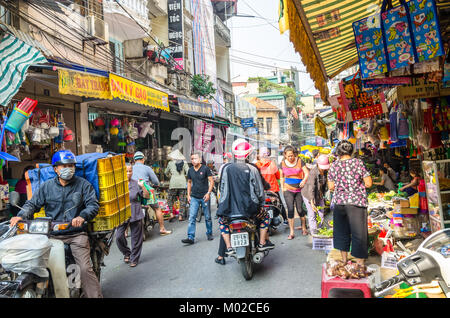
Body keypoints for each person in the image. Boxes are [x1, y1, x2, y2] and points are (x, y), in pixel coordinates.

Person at [10, 150, 103, 298]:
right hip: (51, 235)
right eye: (64, 166)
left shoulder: (83, 185)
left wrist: (82, 216)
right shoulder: (46, 187)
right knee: (37, 264)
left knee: (85, 269)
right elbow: (32, 204)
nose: (69, 169)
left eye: (71, 165)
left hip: (76, 234)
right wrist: (20, 216)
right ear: (55, 169)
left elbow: (93, 205)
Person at [215, 139, 274, 264]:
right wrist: (261, 203)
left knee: (222, 222)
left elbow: (222, 188)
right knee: (265, 217)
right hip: (250, 209)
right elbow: (259, 191)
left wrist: (222, 204)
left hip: (228, 209)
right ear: (248, 154)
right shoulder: (252, 169)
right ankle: (262, 243)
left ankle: (229, 247)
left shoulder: (226, 168)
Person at [327, 140, 373, 266]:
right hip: (356, 202)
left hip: (340, 202)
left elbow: (331, 186)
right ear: (351, 150)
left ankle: (344, 260)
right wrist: (357, 185)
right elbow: (369, 183)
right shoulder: (358, 163)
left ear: (338, 152)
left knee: (341, 230)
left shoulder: (334, 165)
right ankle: (360, 263)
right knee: (359, 233)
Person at [116, 163, 149, 267]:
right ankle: (127, 253)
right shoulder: (117, 184)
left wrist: (143, 186)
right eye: (126, 171)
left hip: (135, 212)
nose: (128, 173)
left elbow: (146, 196)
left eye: (130, 171)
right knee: (119, 237)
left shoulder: (136, 183)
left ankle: (134, 258)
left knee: (136, 238)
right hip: (122, 214)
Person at [132, 151, 172, 235]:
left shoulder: (130, 169)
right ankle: (162, 229)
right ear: (143, 159)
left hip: (133, 192)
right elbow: (156, 182)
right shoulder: (147, 168)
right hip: (146, 191)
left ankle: (124, 232)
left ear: (134, 160)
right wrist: (155, 184)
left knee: (130, 210)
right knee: (157, 208)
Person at [181, 153, 214, 245]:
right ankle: (190, 237)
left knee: (207, 217)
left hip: (205, 197)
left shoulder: (205, 169)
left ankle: (209, 233)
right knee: (192, 217)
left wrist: (208, 193)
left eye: (195, 158)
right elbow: (189, 182)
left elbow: (211, 181)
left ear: (199, 159)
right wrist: (188, 195)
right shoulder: (190, 170)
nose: (193, 160)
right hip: (194, 197)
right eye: (191, 159)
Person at [280, 145, 309, 239]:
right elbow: (281, 176)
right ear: (285, 155)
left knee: (300, 209)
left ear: (294, 154)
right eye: (288, 156)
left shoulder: (300, 161)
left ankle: (304, 227)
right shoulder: (282, 163)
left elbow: (307, 173)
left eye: (292, 155)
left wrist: (304, 180)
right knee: (290, 210)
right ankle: (292, 232)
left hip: (299, 190)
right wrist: (283, 188)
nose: (291, 157)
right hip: (288, 190)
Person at [255, 147, 288, 222]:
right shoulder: (272, 164)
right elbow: (278, 176)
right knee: (280, 204)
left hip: (261, 190)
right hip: (273, 189)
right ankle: (285, 219)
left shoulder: (256, 165)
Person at [301, 154, 330, 235]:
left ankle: (320, 229)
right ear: (317, 164)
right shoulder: (313, 173)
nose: (324, 169)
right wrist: (312, 202)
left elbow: (323, 185)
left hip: (318, 194)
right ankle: (314, 232)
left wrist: (322, 193)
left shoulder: (325, 171)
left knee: (321, 212)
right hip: (308, 194)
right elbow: (311, 188)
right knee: (312, 214)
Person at [164, 149, 189, 221]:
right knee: (182, 200)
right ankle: (180, 216)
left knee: (170, 199)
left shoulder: (170, 163)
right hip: (182, 183)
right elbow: (188, 172)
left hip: (173, 183)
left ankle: (171, 214)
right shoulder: (184, 163)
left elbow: (166, 172)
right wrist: (183, 176)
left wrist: (170, 176)